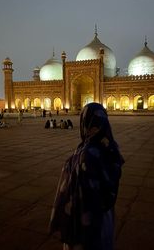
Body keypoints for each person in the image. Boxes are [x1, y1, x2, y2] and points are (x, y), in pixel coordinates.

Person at [49, 102, 124, 250]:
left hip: (85, 218)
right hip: (105, 215)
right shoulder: (111, 148)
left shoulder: (87, 153)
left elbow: (76, 190)